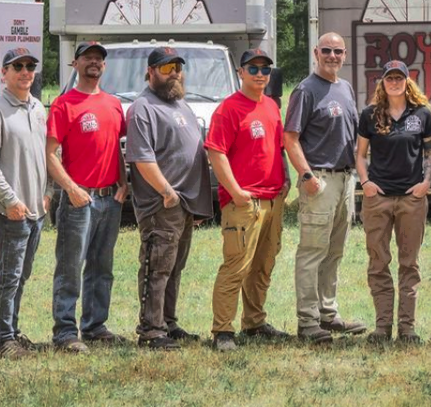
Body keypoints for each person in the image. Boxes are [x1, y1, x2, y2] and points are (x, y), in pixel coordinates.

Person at [125, 47, 214, 350]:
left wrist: (197, 203)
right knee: (157, 266)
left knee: (175, 267)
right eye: (166, 68)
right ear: (150, 72)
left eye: (177, 66)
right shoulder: (142, 108)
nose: (174, 72)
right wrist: (166, 191)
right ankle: (150, 330)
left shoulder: (180, 104)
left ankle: (168, 322)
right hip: (161, 204)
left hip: (185, 203)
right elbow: (141, 158)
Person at [284, 32, 369, 344]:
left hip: (346, 179)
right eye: (327, 51)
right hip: (319, 179)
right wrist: (306, 177)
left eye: (338, 51)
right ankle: (307, 322)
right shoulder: (306, 91)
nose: (333, 56)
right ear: (316, 53)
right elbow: (290, 138)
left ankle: (327, 314)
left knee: (334, 251)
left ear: (345, 55)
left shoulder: (344, 88)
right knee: (311, 252)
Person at [45, 41, 129, 354]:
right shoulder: (64, 104)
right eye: (87, 58)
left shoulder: (113, 103)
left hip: (110, 199)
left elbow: (115, 148)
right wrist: (71, 189)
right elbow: (50, 154)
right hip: (78, 201)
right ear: (75, 64)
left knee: (101, 266)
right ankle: (65, 332)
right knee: (70, 267)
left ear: (104, 66)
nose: (94, 63)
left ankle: (95, 326)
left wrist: (123, 182)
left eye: (99, 59)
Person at [204, 48, 290, 352]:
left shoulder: (271, 106)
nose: (259, 75)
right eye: (252, 69)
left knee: (263, 266)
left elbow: (277, 149)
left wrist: (286, 179)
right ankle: (222, 330)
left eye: (265, 69)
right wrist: (237, 193)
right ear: (240, 72)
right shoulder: (229, 109)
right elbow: (216, 152)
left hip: (273, 200)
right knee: (236, 266)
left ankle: (254, 322)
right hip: (245, 203)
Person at [354, 60, 431, 345]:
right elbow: (361, 153)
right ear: (383, 82)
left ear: (407, 80)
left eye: (400, 77)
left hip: (411, 199)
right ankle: (382, 326)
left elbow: (428, 153)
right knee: (378, 262)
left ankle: (407, 328)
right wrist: (365, 182)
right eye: (390, 78)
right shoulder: (370, 115)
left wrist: (426, 183)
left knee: (409, 264)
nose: (395, 82)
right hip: (378, 198)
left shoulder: (421, 114)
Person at [0, 45, 49, 359]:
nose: (24, 72)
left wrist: (48, 194)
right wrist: (9, 200)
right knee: (8, 277)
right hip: (13, 212)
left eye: (29, 67)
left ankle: (13, 333)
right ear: (4, 73)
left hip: (36, 211)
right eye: (17, 66)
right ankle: (3, 340)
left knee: (22, 275)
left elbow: (45, 157)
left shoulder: (38, 108)